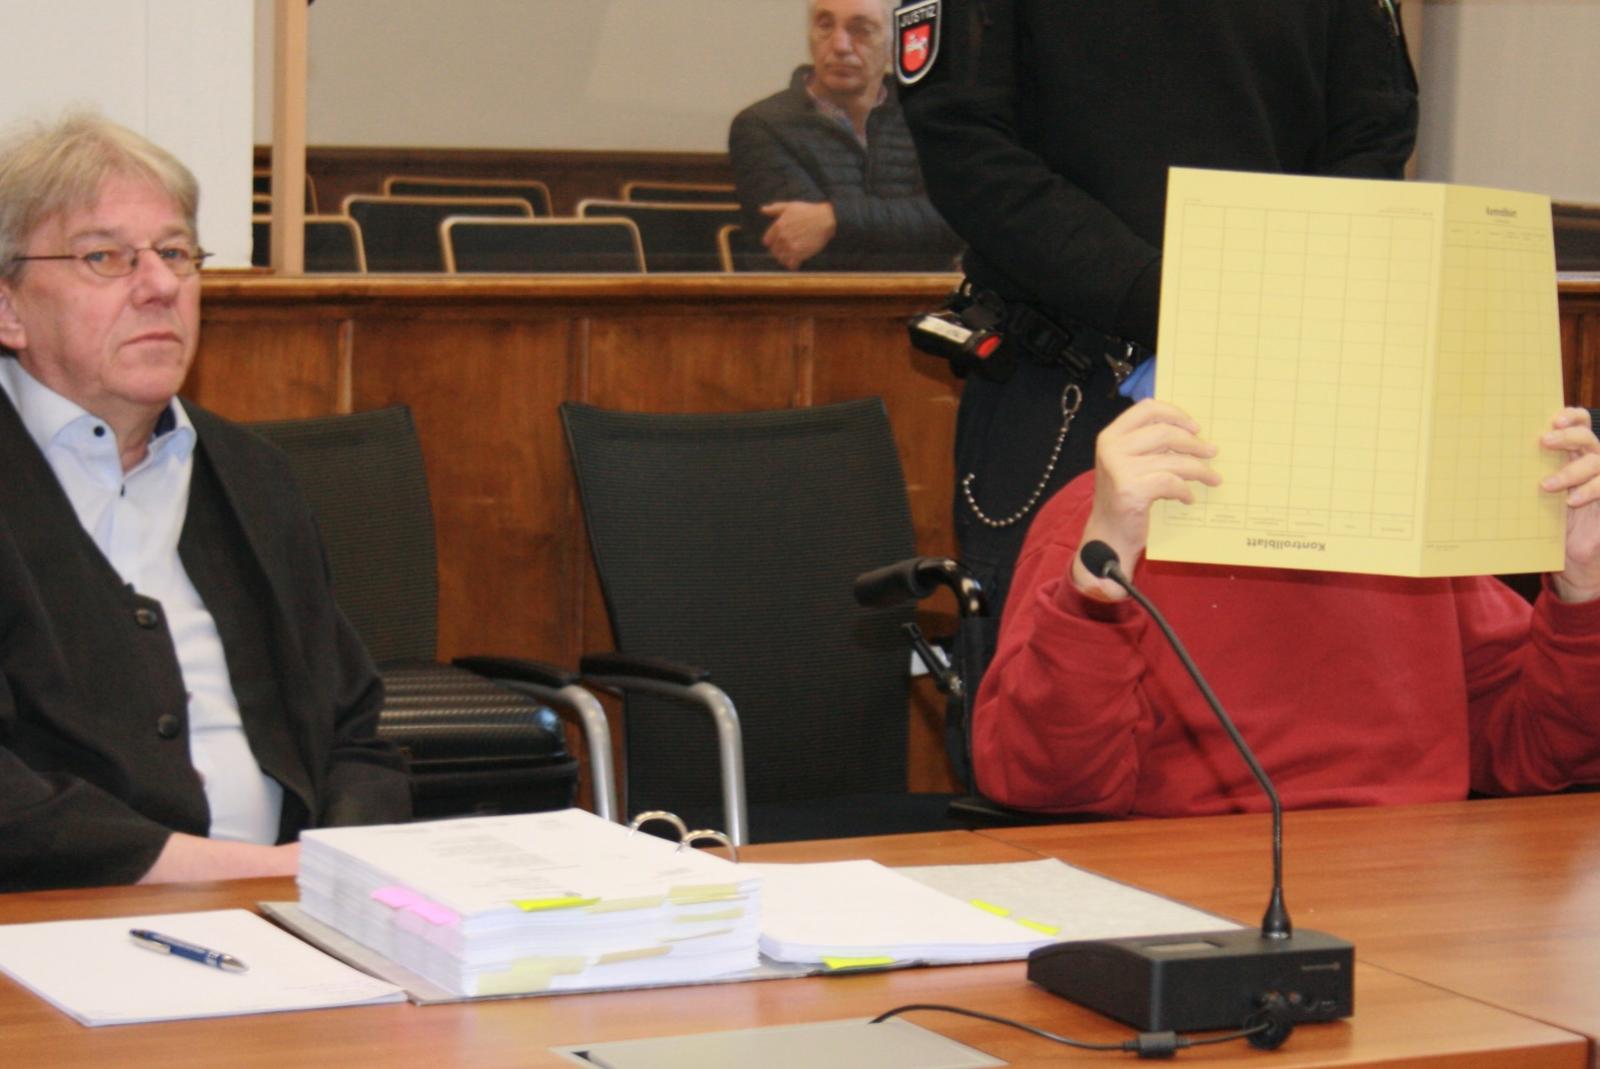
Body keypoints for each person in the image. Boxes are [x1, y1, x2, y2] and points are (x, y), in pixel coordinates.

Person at [0, 114, 411, 891]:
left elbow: (354, 731)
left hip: (296, 909)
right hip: (59, 918)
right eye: (104, 257)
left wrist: (339, 870)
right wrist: (245, 872)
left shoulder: (254, 477)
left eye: (175, 253)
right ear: (9, 309)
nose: (159, 286)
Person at [898, 0, 1420, 612]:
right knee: (1053, 656)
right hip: (1069, 384)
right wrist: (1168, 296)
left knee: (1276, 662)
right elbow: (964, 145)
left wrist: (1273, 297)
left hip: (1281, 385)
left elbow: (1372, 134)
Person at [972, 399, 1600, 817]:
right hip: (1185, 895)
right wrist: (1101, 579)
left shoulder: (1412, 522)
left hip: (1417, 882)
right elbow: (1043, 786)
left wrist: (1583, 588)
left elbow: (1540, 753)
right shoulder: (1106, 517)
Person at [727, 0, 963, 271]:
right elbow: (804, 244)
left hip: (927, 294)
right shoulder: (762, 125)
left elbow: (962, 220)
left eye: (861, 30)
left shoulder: (928, 118)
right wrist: (913, 226)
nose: (840, 45)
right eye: (825, 26)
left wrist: (834, 219)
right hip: (808, 295)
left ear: (896, 46)